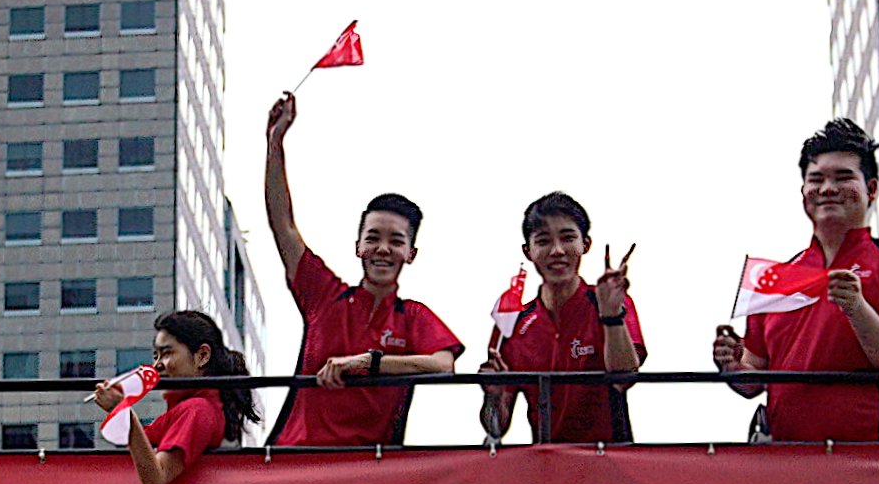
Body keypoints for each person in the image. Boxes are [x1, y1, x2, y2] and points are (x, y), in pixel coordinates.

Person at [710, 117, 879, 444]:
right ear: (803, 191)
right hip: (787, 456)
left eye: (843, 177)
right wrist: (731, 364)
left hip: (868, 451)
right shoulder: (774, 278)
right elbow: (753, 382)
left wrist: (857, 309)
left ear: (871, 189)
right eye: (816, 179)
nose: (827, 189)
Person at [256, 89, 463, 447]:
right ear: (358, 247)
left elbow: (443, 365)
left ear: (411, 253)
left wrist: (369, 362)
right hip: (296, 460)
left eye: (396, 241)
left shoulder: (413, 317)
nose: (383, 249)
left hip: (367, 471)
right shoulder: (325, 296)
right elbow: (283, 225)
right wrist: (275, 143)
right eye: (373, 238)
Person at [478, 192, 645, 446]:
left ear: (585, 244)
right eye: (543, 241)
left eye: (568, 238)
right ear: (528, 251)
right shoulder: (511, 325)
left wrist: (611, 315)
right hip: (546, 470)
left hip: (609, 464)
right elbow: (497, 427)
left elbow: (624, 380)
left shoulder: (610, 303)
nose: (557, 251)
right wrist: (492, 396)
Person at [98, 308, 261, 484]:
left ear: (202, 356)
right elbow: (136, 440)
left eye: (166, 353)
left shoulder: (197, 410)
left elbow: (155, 478)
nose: (157, 366)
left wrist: (123, 410)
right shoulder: (191, 409)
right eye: (155, 356)